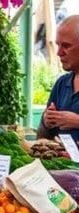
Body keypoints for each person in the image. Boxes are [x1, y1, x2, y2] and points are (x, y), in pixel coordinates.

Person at [38, 15, 79, 143]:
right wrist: (47, 122)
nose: (59, 52)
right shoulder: (62, 83)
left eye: (66, 46)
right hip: (61, 162)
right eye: (58, 45)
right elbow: (42, 137)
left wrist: (77, 122)